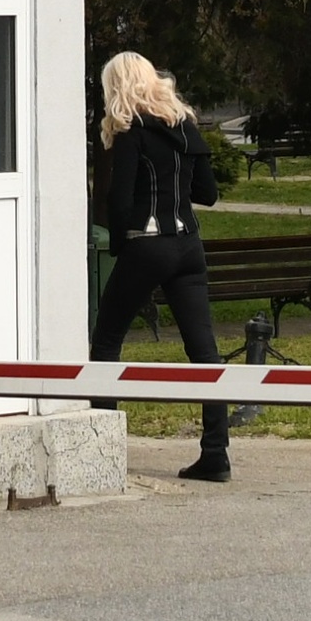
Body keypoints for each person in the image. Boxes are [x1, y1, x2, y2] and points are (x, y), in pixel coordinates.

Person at [89, 50, 235, 485]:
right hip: (188, 246)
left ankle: (101, 451)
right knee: (205, 353)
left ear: (118, 86)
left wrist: (119, 244)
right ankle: (216, 454)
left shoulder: (132, 130)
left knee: (108, 339)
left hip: (145, 245)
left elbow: (118, 199)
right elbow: (208, 193)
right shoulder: (185, 127)